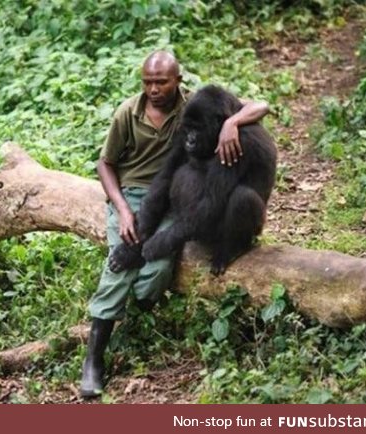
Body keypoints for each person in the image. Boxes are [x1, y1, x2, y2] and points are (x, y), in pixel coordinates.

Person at [80, 50, 270, 398]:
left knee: (236, 204)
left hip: (232, 216)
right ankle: (93, 358)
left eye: (161, 81)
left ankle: (232, 250)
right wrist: (133, 229)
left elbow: (209, 210)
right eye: (147, 82)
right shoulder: (164, 115)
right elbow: (163, 180)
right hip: (140, 198)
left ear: (176, 82)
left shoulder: (230, 138)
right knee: (121, 264)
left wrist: (147, 250)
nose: (191, 138)